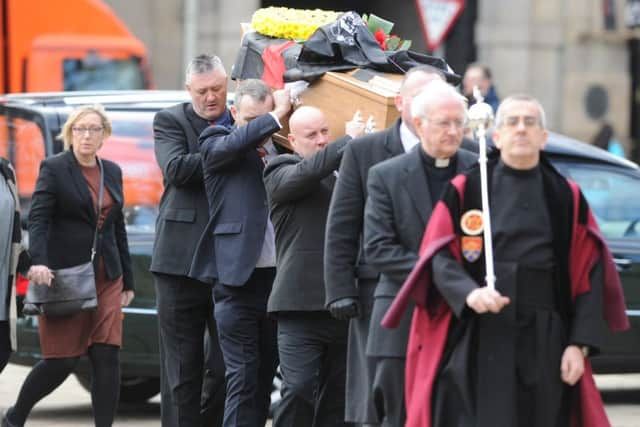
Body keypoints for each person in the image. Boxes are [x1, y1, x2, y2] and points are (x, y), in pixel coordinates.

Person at [382, 95, 629, 427]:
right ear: (496, 136)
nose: (521, 129)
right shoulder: (467, 188)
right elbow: (437, 254)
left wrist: (579, 345)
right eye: (512, 122)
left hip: (545, 335)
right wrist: (468, 293)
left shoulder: (565, 195)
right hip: (479, 329)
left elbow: (589, 272)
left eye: (530, 122)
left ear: (543, 136)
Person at [323, 64, 450, 426]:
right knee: (380, 396)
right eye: (419, 99)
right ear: (399, 102)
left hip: (446, 294)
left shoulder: (464, 154)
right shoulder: (366, 151)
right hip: (378, 290)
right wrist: (340, 290)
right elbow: (342, 224)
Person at [3, 105, 136, 427]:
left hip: (107, 275)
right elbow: (39, 218)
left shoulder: (112, 171)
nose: (86, 135)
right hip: (64, 275)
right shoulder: (54, 168)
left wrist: (128, 280)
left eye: (93, 129)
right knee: (61, 360)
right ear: (70, 133)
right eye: (79, 129)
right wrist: (40, 262)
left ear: (104, 135)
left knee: (107, 354)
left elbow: (117, 227)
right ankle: (15, 416)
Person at [363, 80, 477, 427]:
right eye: (444, 122)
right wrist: (448, 277)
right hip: (403, 313)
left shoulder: (479, 171)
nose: (453, 131)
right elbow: (378, 249)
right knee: (398, 416)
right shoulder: (386, 175)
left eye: (460, 123)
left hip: (465, 321)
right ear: (419, 122)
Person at [195, 78, 291, 427]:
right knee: (243, 376)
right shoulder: (216, 141)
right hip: (236, 282)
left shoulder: (282, 150)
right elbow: (233, 144)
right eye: (251, 120)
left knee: (265, 377)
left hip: (278, 281)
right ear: (234, 113)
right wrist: (277, 114)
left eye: (263, 118)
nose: (259, 129)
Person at [264, 106, 365, 427]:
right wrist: (348, 140)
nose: (322, 140)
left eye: (326, 132)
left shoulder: (347, 171)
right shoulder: (279, 168)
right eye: (312, 135)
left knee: (338, 399)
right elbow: (306, 175)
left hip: (345, 302)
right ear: (292, 141)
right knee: (297, 389)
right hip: (299, 307)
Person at [151, 54, 230, 427]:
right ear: (189, 90)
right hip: (178, 263)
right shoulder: (170, 120)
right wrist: (234, 145)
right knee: (181, 371)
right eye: (202, 91)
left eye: (217, 89)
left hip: (231, 263)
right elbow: (177, 169)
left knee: (228, 366)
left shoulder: (241, 119)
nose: (211, 98)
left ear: (227, 84)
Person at [0, 158, 29, 376]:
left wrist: (28, 264)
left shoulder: (6, 169)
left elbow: (16, 226)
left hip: (3, 283)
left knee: (2, 350)